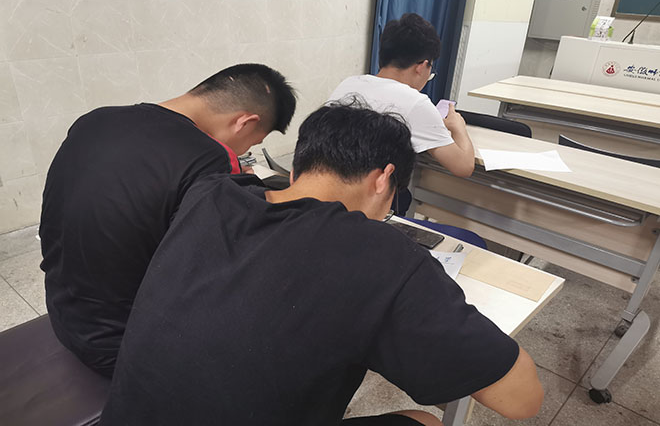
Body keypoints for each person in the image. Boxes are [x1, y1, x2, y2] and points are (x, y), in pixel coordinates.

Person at [100, 102, 543, 426]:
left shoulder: (208, 194)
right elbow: (523, 401)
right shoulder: (384, 257)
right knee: (426, 422)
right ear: (384, 179)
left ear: (297, 170)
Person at [40, 63, 297, 378]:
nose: (245, 151)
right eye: (253, 144)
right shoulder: (210, 159)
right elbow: (221, 269)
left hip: (64, 315)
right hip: (122, 348)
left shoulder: (95, 120)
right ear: (245, 122)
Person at [328, 13, 475, 178]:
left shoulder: (349, 83)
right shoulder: (416, 103)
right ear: (422, 66)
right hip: (369, 190)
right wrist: (458, 127)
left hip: (329, 184)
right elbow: (464, 167)